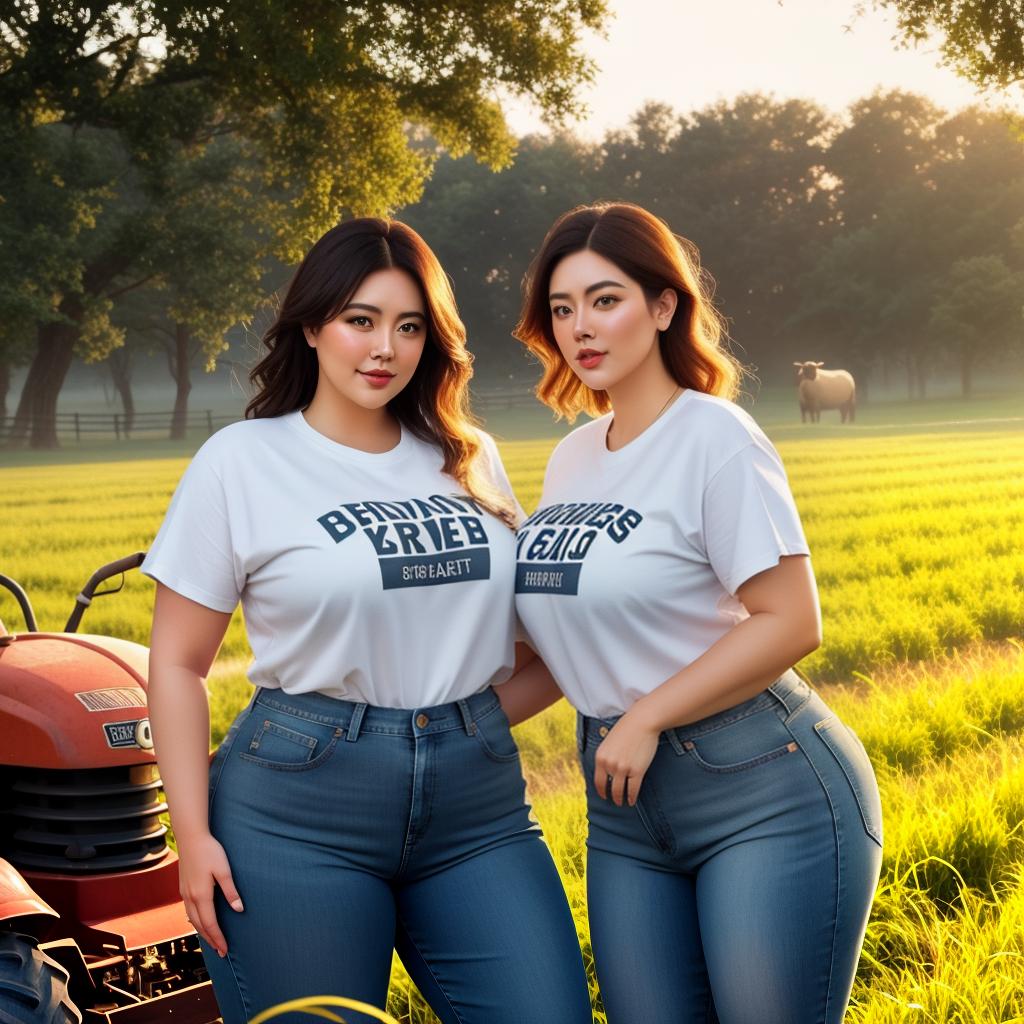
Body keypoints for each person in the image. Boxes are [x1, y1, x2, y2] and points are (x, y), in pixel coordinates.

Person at [142, 218, 592, 1024]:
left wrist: (473, 723)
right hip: (295, 813)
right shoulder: (241, 462)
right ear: (312, 327)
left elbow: (549, 632)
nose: (385, 347)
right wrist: (193, 837)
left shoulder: (467, 456)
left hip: (477, 810)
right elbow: (178, 663)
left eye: (409, 326)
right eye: (361, 320)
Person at [513, 201, 882, 1024]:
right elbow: (563, 642)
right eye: (563, 309)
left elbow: (791, 622)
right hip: (624, 806)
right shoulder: (572, 459)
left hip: (762, 784)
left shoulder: (716, 436)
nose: (581, 326)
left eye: (605, 300)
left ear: (664, 306)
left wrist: (648, 716)